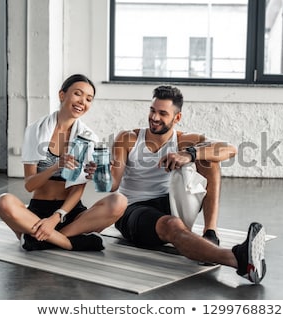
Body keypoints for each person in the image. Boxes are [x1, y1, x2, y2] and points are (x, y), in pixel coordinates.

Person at [110, 85, 267, 284]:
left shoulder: (184, 140)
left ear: (177, 118)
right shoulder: (128, 138)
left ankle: (210, 233)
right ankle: (238, 260)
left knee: (207, 159)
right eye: (152, 110)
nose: (155, 117)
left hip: (171, 203)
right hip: (133, 210)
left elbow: (230, 149)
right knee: (171, 225)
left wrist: (189, 154)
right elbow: (113, 184)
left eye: (162, 113)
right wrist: (99, 172)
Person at [0, 74, 127, 251]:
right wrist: (56, 166)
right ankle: (69, 242)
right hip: (38, 210)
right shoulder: (35, 130)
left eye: (89, 99)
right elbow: (29, 185)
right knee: (3, 201)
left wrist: (57, 217)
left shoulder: (89, 138)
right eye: (78, 94)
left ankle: (38, 238)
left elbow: (77, 189)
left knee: (119, 202)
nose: (82, 102)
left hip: (70, 212)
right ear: (62, 95)